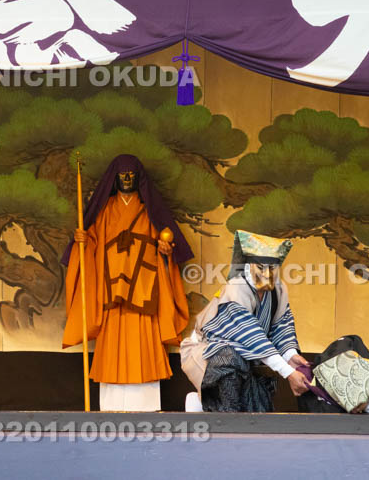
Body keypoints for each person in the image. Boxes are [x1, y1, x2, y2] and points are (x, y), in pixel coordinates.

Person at [61, 154, 192, 412]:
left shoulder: (150, 211)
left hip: (143, 289)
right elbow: (92, 245)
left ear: (139, 178)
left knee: (144, 346)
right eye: (122, 175)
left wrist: (166, 251)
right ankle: (110, 408)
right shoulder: (104, 211)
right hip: (111, 291)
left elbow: (165, 247)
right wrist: (83, 242)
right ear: (114, 179)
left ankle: (147, 407)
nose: (127, 179)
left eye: (132, 174)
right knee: (112, 346)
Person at [180, 230, 310, 412]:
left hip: (250, 355)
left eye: (272, 267)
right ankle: (212, 405)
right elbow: (251, 337)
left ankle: (203, 405)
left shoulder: (279, 289)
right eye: (261, 267)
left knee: (257, 410)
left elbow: (281, 327)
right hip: (207, 352)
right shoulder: (236, 288)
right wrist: (288, 372)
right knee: (229, 359)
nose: (267, 273)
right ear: (248, 266)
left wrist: (290, 356)